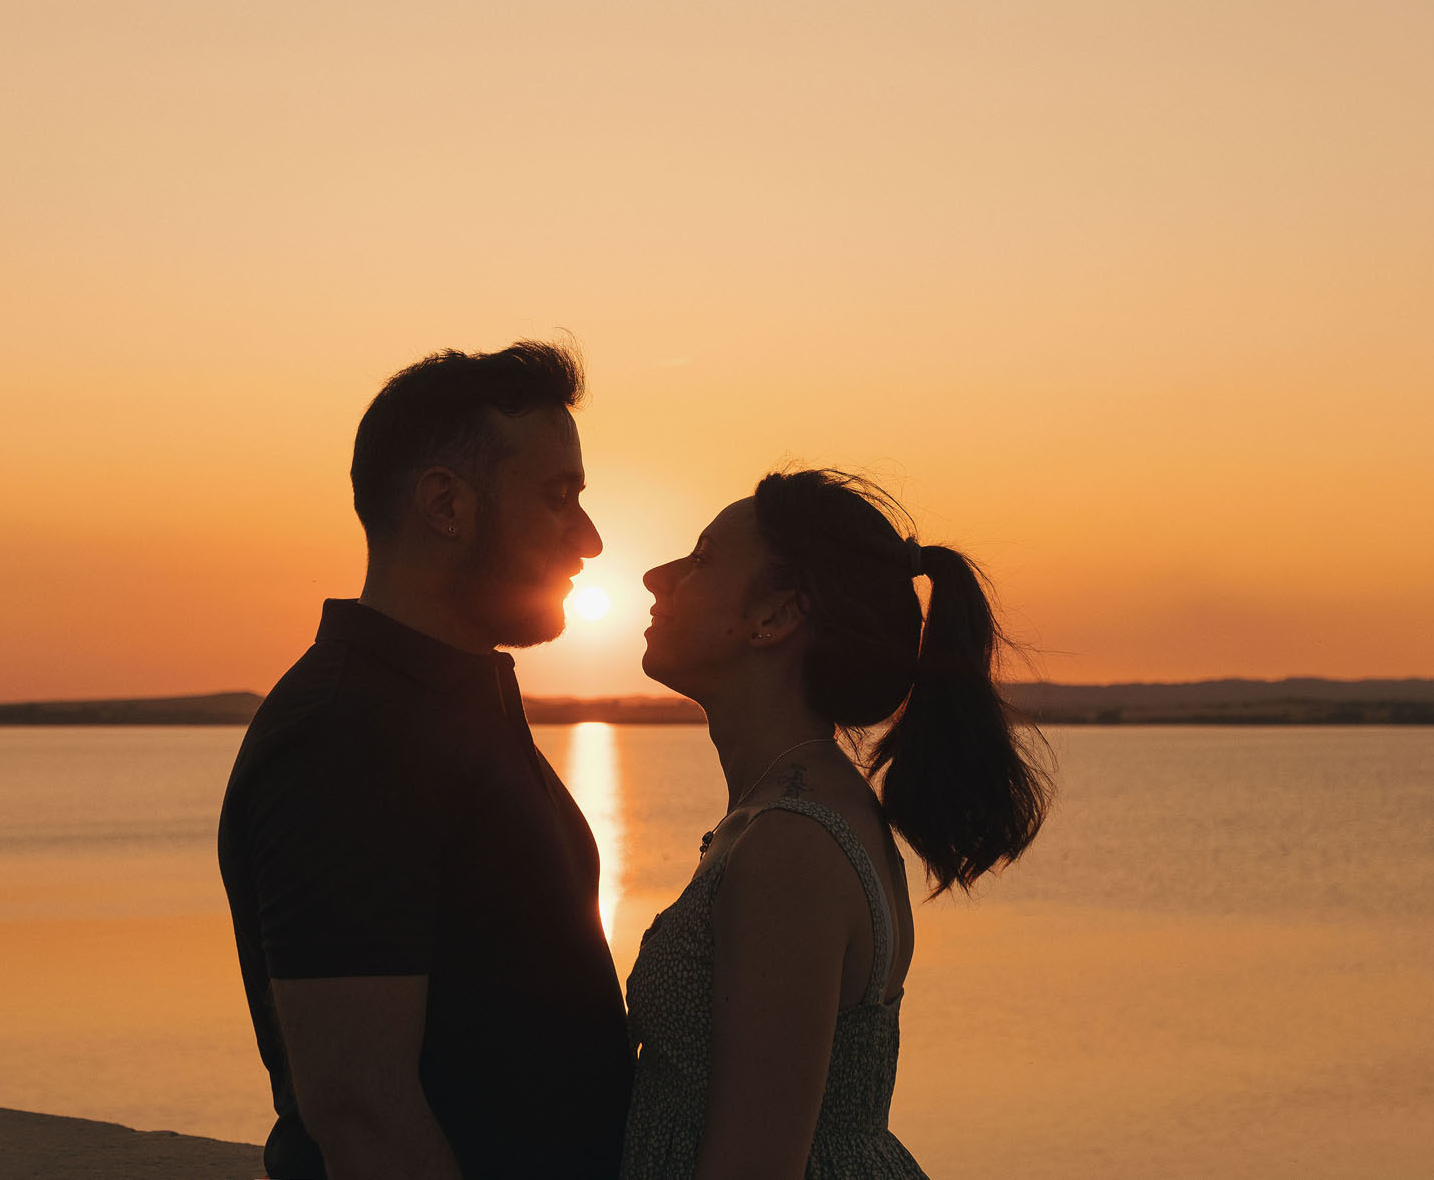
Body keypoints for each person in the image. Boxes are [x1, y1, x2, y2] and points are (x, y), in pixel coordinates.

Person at [218, 340, 633, 1180]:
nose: (588, 538)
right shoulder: (348, 736)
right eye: (559, 498)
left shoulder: (451, 700)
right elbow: (362, 1113)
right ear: (445, 503)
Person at [621, 470, 1052, 1180]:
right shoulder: (795, 812)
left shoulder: (789, 846)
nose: (655, 575)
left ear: (775, 617)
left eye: (700, 559)